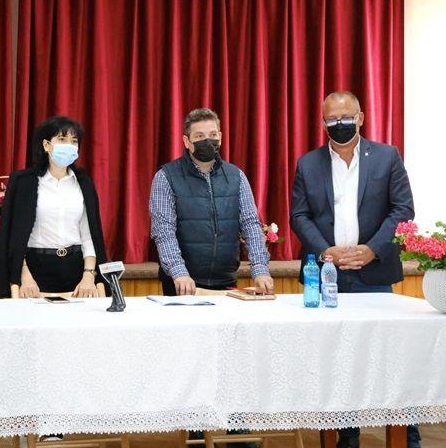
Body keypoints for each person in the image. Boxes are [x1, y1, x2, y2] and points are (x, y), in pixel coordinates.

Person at [290, 91, 418, 448]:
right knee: (336, 363)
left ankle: (408, 436)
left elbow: (402, 209)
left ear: (360, 117)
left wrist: (372, 249)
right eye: (332, 119)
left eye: (346, 117)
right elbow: (299, 215)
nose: (340, 124)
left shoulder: (387, 156)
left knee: (389, 359)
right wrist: (324, 250)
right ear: (323, 123)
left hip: (373, 275)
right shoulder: (308, 163)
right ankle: (346, 438)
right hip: (326, 276)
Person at [150, 108, 273, 297]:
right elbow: (163, 231)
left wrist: (260, 269)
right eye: (199, 136)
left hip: (226, 281)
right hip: (182, 284)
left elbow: (250, 224)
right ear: (187, 142)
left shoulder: (237, 176)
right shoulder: (166, 177)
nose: (208, 141)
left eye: (213, 135)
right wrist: (179, 272)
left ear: (220, 137)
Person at [0, 116, 107, 299]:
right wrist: (24, 275)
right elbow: (15, 236)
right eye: (62, 139)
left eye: (74, 141)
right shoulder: (24, 182)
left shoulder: (83, 182)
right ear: (46, 145)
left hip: (76, 269)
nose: (69, 145)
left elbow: (89, 234)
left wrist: (89, 275)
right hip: (35, 269)